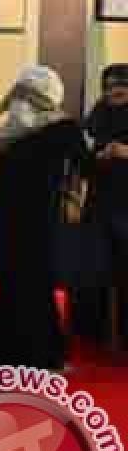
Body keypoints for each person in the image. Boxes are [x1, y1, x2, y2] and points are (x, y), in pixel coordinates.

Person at [0, 66, 86, 371]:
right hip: (38, 218)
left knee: (13, 282)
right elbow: (87, 165)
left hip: (5, 218)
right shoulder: (63, 128)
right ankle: (43, 357)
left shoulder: (6, 136)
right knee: (37, 285)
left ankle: (5, 354)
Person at [79, 64, 128, 349]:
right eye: (110, 86)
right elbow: (82, 154)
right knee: (96, 267)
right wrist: (100, 155)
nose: (117, 90)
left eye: (122, 84)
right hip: (101, 202)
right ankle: (94, 330)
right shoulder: (97, 115)